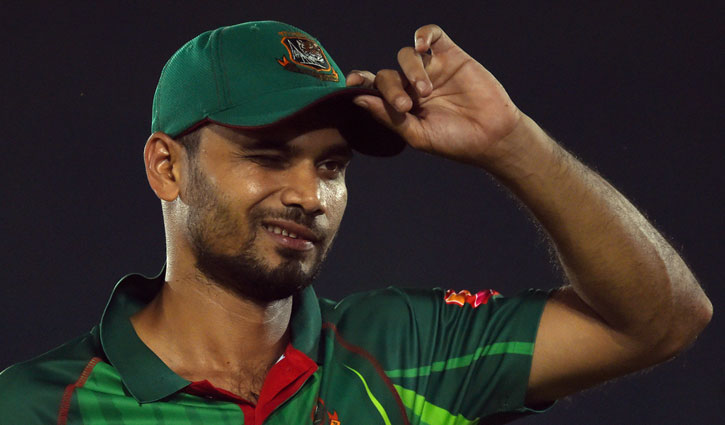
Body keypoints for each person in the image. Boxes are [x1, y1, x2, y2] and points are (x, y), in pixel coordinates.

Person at [0, 20, 712, 425]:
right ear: (166, 167)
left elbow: (658, 321)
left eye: (332, 165)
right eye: (268, 156)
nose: (310, 194)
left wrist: (512, 145)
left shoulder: (403, 349)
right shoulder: (38, 406)